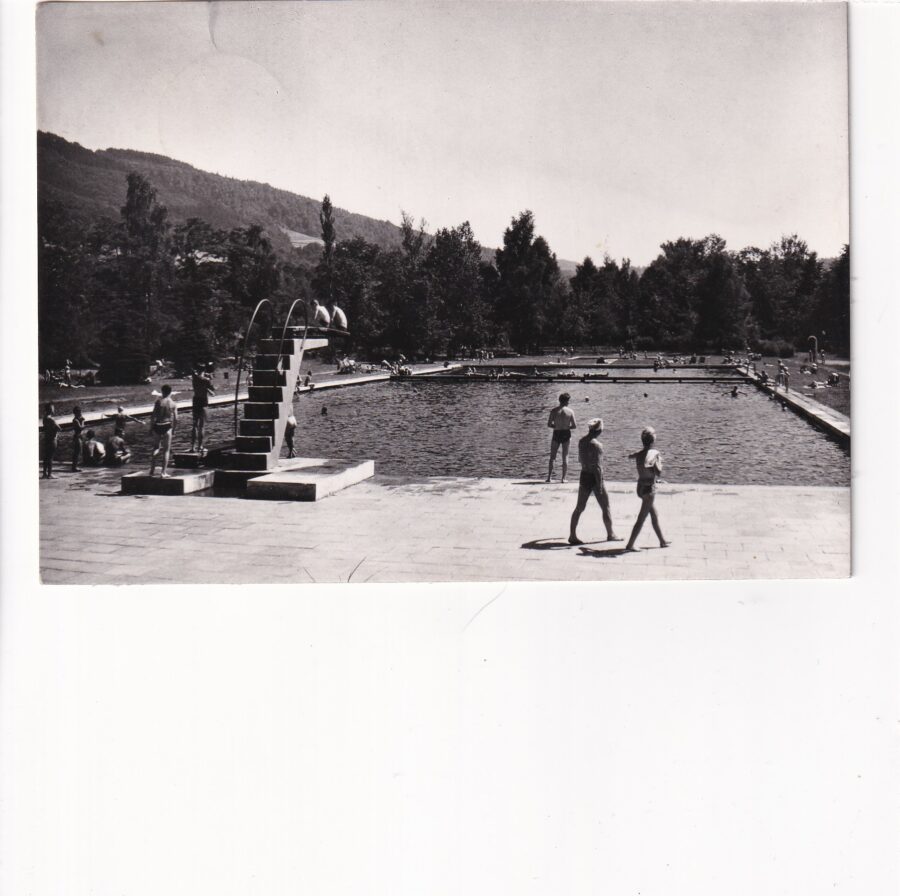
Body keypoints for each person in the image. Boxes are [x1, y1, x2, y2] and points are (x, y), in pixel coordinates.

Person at [569, 418, 621, 545]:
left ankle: (572, 535)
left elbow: (580, 460)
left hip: (584, 474)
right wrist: (600, 485)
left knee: (579, 507)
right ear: (599, 431)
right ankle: (610, 534)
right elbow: (597, 467)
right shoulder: (597, 445)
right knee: (605, 507)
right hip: (594, 477)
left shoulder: (581, 441)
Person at [625, 427, 670, 552]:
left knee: (654, 515)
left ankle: (662, 541)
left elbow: (631, 456)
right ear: (653, 441)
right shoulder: (654, 455)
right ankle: (630, 544)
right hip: (649, 489)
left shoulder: (640, 454)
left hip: (640, 487)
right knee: (641, 519)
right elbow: (658, 472)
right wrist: (659, 461)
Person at [546, 392, 577, 482]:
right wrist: (567, 427)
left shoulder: (554, 411)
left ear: (559, 400)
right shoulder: (570, 411)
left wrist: (556, 426)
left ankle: (549, 478)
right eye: (568, 401)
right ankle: (563, 478)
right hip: (566, 433)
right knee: (565, 455)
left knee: (552, 456)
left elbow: (549, 424)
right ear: (567, 401)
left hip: (557, 432)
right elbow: (574, 426)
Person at [149, 384, 178, 477]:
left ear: (162, 392)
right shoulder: (173, 403)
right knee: (166, 450)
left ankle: (152, 470)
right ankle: (163, 472)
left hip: (157, 425)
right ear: (170, 392)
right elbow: (176, 418)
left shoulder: (158, 402)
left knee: (156, 448)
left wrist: (151, 428)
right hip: (167, 426)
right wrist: (174, 429)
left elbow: (153, 416)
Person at [190, 365, 216, 454]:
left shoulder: (194, 379)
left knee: (194, 425)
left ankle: (192, 447)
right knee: (202, 426)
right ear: (204, 370)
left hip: (195, 401)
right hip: (203, 401)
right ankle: (200, 446)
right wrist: (210, 378)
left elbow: (194, 374)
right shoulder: (206, 380)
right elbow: (213, 390)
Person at [41, 402, 61, 478]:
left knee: (46, 457)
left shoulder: (44, 418)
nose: (54, 409)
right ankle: (50, 474)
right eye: (53, 408)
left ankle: (44, 473)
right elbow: (59, 428)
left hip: (46, 438)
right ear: (50, 409)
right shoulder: (51, 419)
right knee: (50, 457)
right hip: (52, 439)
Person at [71, 405, 85, 471]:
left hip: (79, 436)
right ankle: (74, 467)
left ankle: (75, 466)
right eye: (80, 412)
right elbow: (81, 427)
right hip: (77, 437)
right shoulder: (75, 420)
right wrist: (83, 421)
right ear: (77, 413)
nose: (81, 413)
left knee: (78, 452)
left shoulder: (77, 420)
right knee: (77, 452)